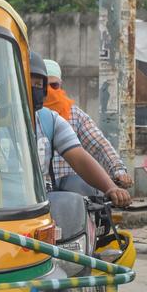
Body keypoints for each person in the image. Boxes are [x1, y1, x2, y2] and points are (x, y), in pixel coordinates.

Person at [43, 58, 133, 195]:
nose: (49, 92)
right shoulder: (25, 116)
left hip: (71, 192)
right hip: (38, 193)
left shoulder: (75, 115)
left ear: (61, 85)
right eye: (43, 86)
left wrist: (118, 170)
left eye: (54, 86)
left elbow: (99, 144)